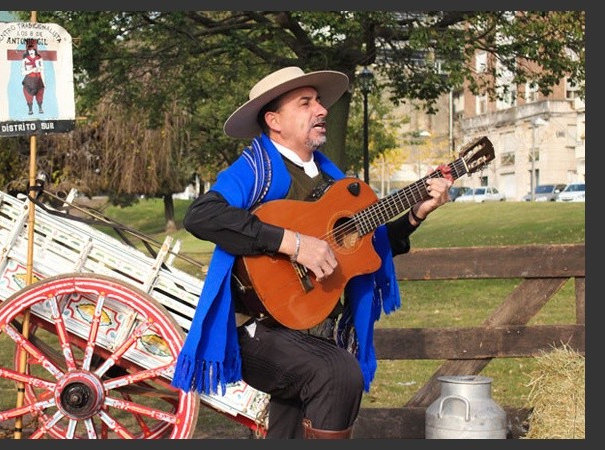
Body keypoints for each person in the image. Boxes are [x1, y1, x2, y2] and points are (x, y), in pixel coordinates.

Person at [170, 66, 453, 439]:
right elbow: (202, 216)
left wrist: (416, 214)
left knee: (295, 419)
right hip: (258, 328)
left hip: (313, 323)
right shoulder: (255, 170)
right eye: (305, 103)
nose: (321, 110)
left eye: (319, 101)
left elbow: (370, 247)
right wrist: (296, 245)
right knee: (337, 373)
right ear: (274, 121)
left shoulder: (334, 182)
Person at [21, 40, 45, 115]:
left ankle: (40, 108)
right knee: (28, 94)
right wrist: (31, 70)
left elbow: (42, 70)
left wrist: (44, 81)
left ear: (35, 50)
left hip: (38, 79)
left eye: (32, 50)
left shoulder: (39, 59)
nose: (31, 51)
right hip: (29, 80)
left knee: (40, 94)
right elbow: (23, 72)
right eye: (29, 50)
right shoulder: (25, 60)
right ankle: (30, 109)